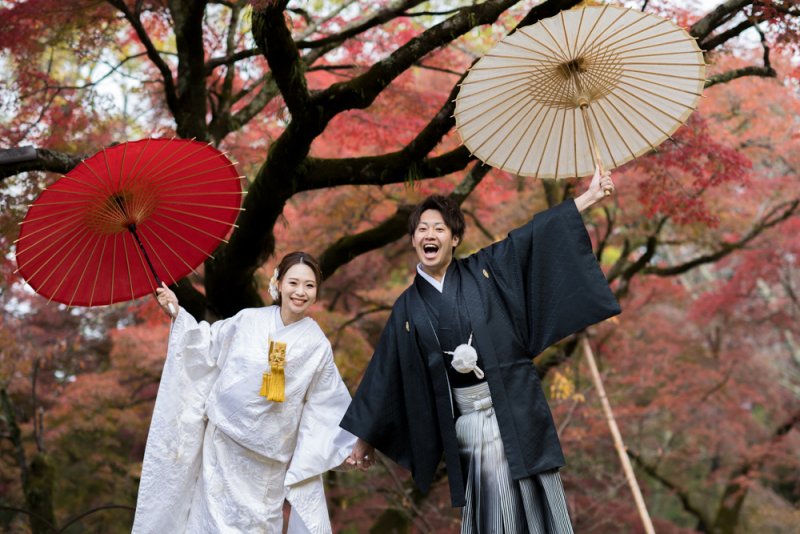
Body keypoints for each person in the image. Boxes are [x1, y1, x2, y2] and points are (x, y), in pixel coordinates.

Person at [341, 167, 620, 533]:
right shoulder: (407, 308)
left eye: (440, 228)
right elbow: (385, 372)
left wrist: (591, 196)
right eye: (422, 228)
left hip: (515, 408)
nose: (430, 234)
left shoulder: (485, 269)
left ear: (455, 239)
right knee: (493, 507)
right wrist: (366, 438)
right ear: (412, 240)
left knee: (541, 503)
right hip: (469, 423)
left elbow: (532, 237)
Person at [133, 252, 359, 534]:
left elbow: (328, 402)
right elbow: (206, 345)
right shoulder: (248, 320)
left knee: (259, 526)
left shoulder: (318, 346)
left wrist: (348, 445)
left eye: (310, 285)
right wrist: (178, 312)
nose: (301, 292)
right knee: (209, 524)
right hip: (221, 448)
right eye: (294, 282)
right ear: (278, 282)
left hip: (268, 463)